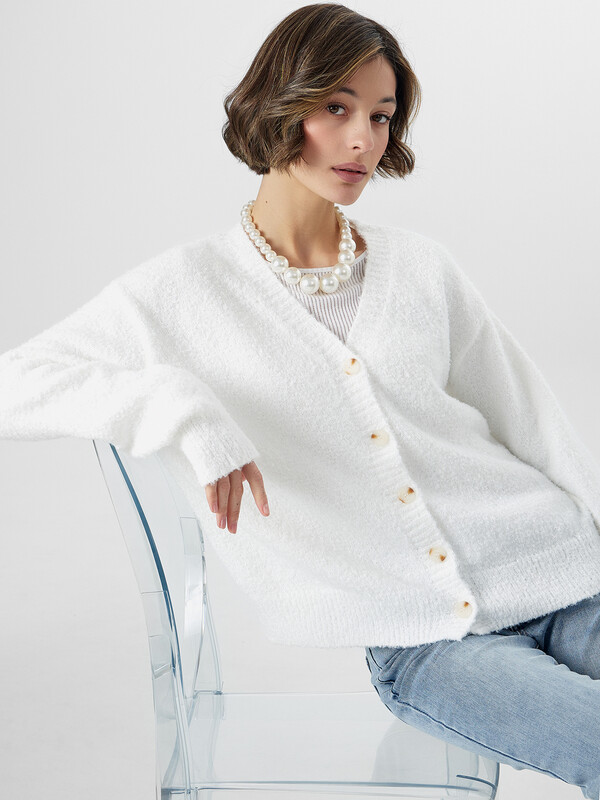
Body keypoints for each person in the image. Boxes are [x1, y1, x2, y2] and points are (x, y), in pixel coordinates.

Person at [1, 3, 600, 797]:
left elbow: (528, 417)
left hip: (563, 570)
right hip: (429, 645)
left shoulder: (421, 267)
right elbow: (14, 384)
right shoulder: (179, 293)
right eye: (336, 108)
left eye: (381, 115)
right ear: (281, 104)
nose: (363, 140)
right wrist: (180, 405)